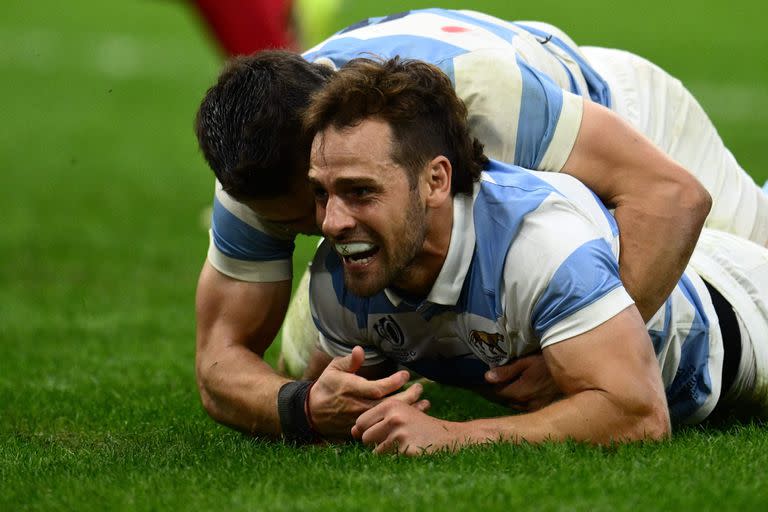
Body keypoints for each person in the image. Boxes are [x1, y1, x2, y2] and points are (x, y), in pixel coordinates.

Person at [192, 8, 765, 438]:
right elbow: (220, 358)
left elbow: (671, 195)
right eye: (309, 215)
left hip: (617, 115)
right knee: (305, 353)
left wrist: (579, 349)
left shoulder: (480, 96)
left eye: (351, 192)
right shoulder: (251, 163)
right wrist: (303, 405)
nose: (332, 223)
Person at [303, 57, 768, 454]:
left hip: (739, 316)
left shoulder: (536, 244)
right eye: (322, 193)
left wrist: (453, 435)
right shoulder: (339, 274)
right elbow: (334, 405)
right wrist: (317, 406)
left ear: (435, 182)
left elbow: (638, 415)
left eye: (360, 192)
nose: (332, 222)